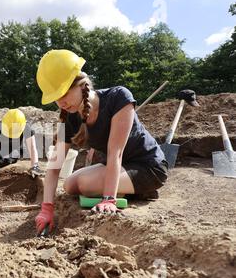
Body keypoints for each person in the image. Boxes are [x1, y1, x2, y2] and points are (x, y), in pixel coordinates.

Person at [34, 50, 168, 235]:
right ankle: (129, 188)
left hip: (148, 167)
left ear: (82, 84)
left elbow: (116, 153)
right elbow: (55, 166)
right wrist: (46, 208)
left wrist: (108, 199)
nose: (61, 103)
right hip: (118, 167)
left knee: (85, 184)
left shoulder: (119, 98)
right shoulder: (70, 117)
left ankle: (137, 188)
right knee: (70, 184)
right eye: (56, 98)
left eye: (64, 93)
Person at [0, 109, 44, 182]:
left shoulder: (26, 127)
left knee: (3, 161)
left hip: (12, 150)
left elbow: (32, 148)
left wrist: (34, 166)